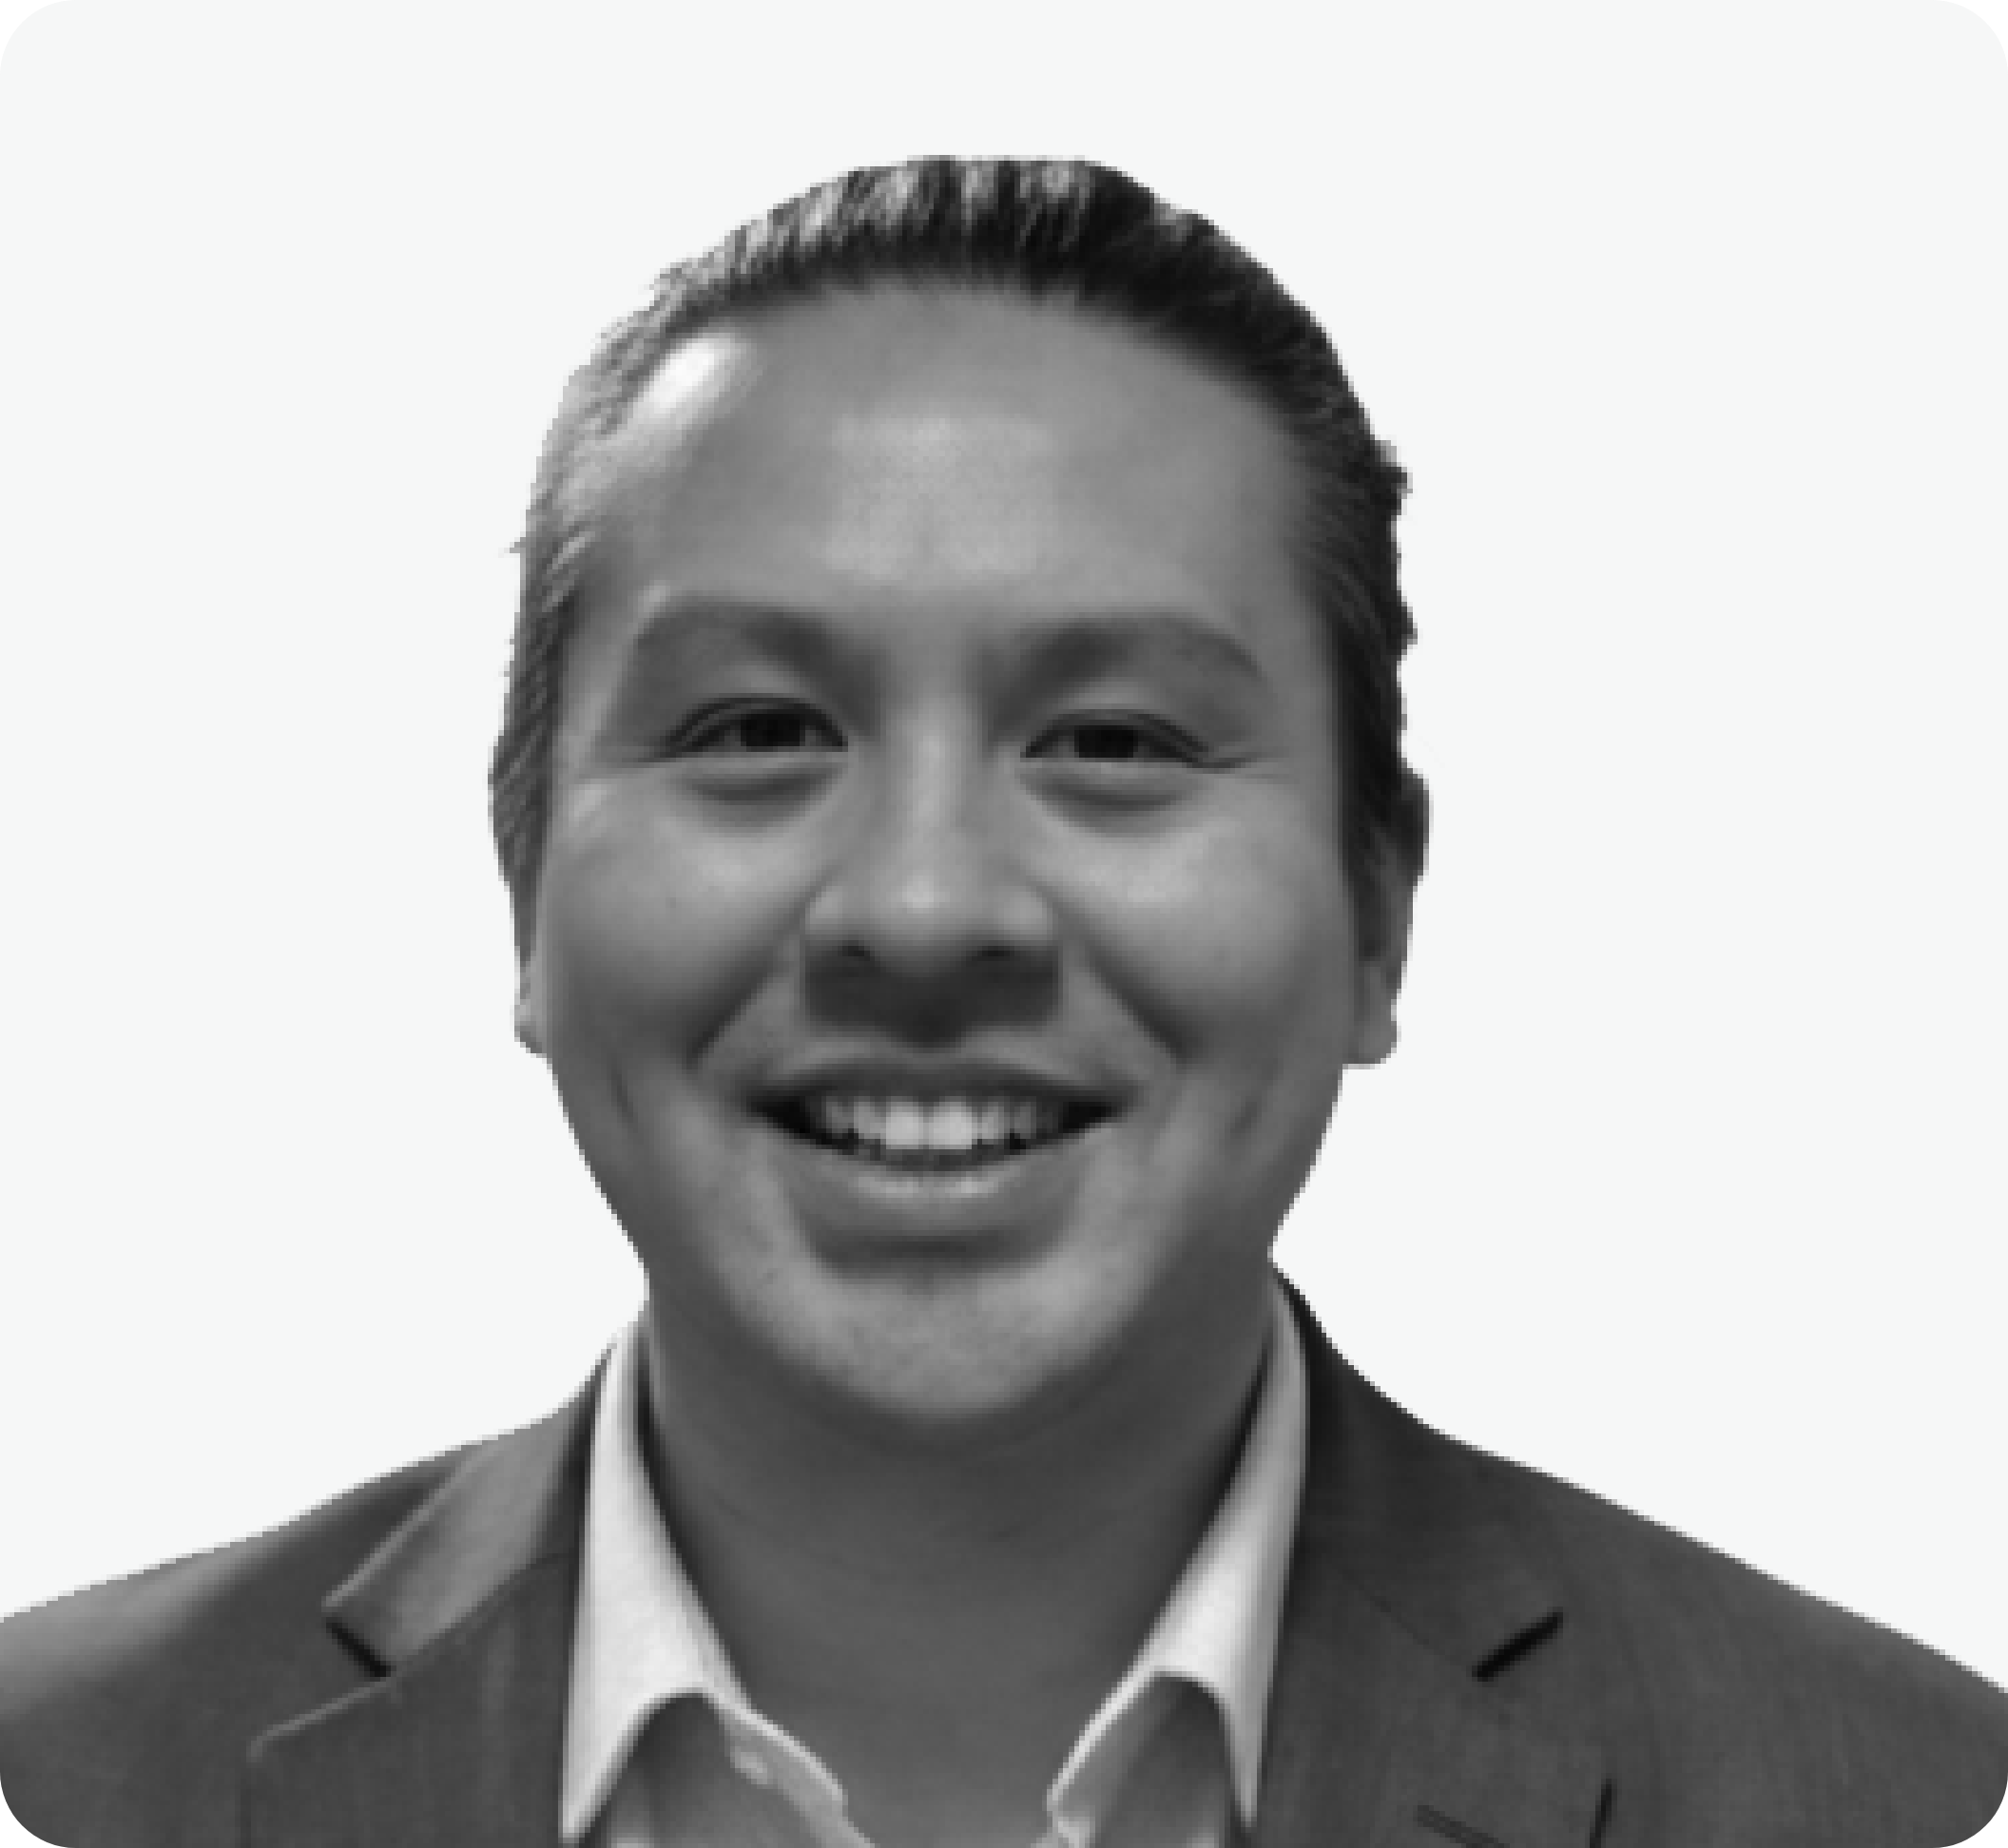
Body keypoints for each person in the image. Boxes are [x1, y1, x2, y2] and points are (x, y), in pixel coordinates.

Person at [0, 155, 2001, 1848]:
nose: (927, 907)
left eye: (1117, 740)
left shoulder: (1896, 1794)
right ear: (524, 885)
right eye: (759, 727)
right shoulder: (61, 1773)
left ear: (1380, 908)